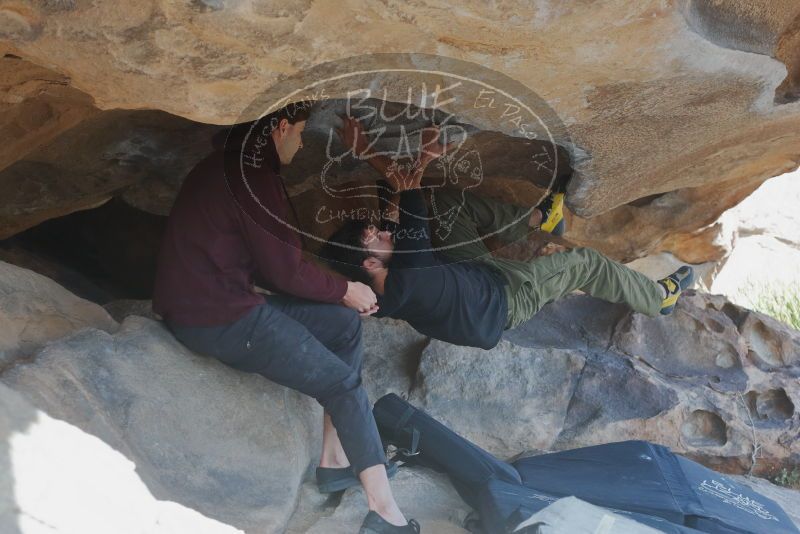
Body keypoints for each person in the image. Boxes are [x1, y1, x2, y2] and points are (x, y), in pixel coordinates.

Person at [152, 103, 420, 534]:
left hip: (209, 303)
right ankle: (386, 512)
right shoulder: (254, 179)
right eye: (299, 131)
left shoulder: (227, 168)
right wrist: (346, 289)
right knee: (343, 386)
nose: (300, 142)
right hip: (218, 316)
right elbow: (284, 272)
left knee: (342, 325)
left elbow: (266, 265)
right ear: (279, 129)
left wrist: (339, 300)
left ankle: (334, 462)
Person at [322, 117, 694, 350]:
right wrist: (419, 154)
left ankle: (541, 219)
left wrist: (372, 158)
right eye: (376, 238)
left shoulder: (379, 288)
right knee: (586, 263)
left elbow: (398, 202)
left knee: (442, 206)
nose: (386, 234)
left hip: (467, 276)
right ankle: (656, 297)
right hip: (504, 301)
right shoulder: (411, 271)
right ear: (371, 261)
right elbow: (409, 185)